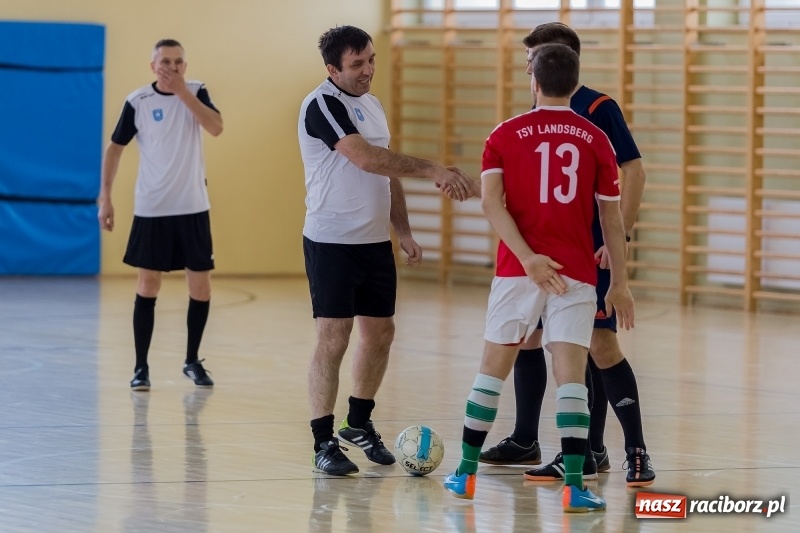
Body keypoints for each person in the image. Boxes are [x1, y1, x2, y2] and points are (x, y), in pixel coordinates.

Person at [442, 43, 633, 511]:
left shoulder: (505, 134)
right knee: (571, 377)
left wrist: (527, 258)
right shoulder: (595, 138)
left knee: (492, 371)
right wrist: (621, 281)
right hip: (576, 272)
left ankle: (465, 475)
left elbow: (491, 203)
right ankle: (573, 487)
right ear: (575, 81)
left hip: (516, 270)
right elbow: (611, 221)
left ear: (534, 81)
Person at [478, 22, 655, 488]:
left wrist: (621, 236)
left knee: (595, 345)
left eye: (533, 58)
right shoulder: (534, 114)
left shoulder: (596, 108)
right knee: (533, 339)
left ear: (560, 61)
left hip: (587, 249)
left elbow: (631, 167)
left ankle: (626, 449)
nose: (528, 67)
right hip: (541, 254)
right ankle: (525, 438)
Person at [298, 25, 473, 476]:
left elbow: (386, 172)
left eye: (371, 60)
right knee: (333, 338)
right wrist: (434, 168)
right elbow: (365, 157)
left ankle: (357, 422)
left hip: (374, 243)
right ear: (332, 68)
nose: (368, 71)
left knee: (380, 334)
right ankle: (323, 442)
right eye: (357, 65)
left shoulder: (372, 104)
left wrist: (404, 231)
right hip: (332, 243)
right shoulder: (323, 105)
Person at [98, 39, 223, 392]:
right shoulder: (138, 101)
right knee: (147, 285)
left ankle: (191, 360)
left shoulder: (197, 91)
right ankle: (141, 368)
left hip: (193, 207)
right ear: (153, 66)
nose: (172, 67)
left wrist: (184, 93)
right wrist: (105, 197)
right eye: (165, 62)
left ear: (185, 65)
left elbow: (215, 127)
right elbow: (114, 149)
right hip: (152, 209)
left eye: (179, 61)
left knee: (200, 287)